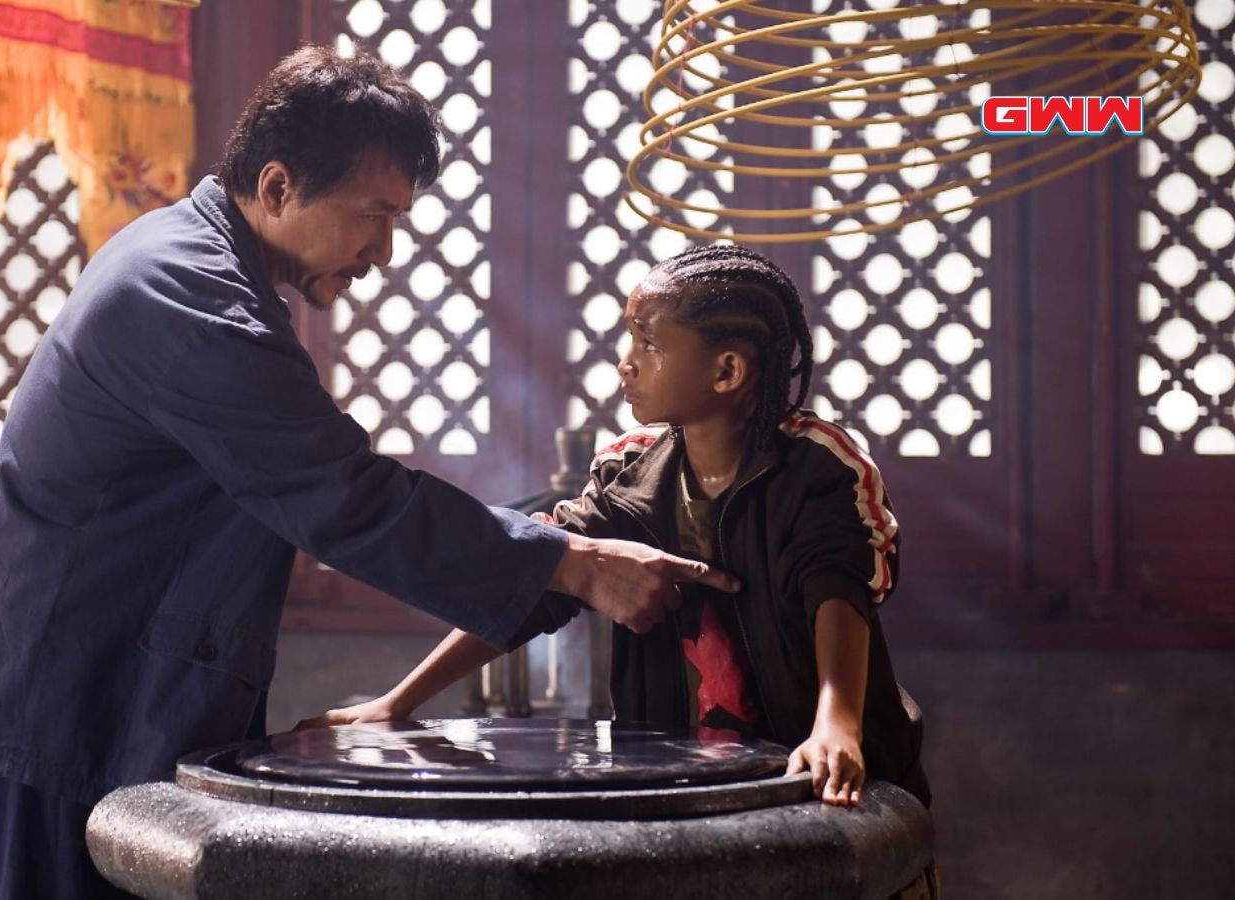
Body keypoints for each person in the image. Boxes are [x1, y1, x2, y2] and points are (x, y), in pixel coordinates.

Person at [0, 46, 737, 900]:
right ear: (277, 187)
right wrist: (577, 565)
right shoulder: (191, 299)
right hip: (74, 713)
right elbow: (347, 497)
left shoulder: (197, 262)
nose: (382, 252)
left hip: (108, 697)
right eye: (373, 216)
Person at [301, 244, 932, 817]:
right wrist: (397, 704)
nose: (625, 363)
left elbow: (837, 590)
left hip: (822, 783)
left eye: (648, 343)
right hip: (689, 793)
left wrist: (836, 726)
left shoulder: (820, 464)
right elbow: (536, 579)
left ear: (727, 371)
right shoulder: (628, 471)